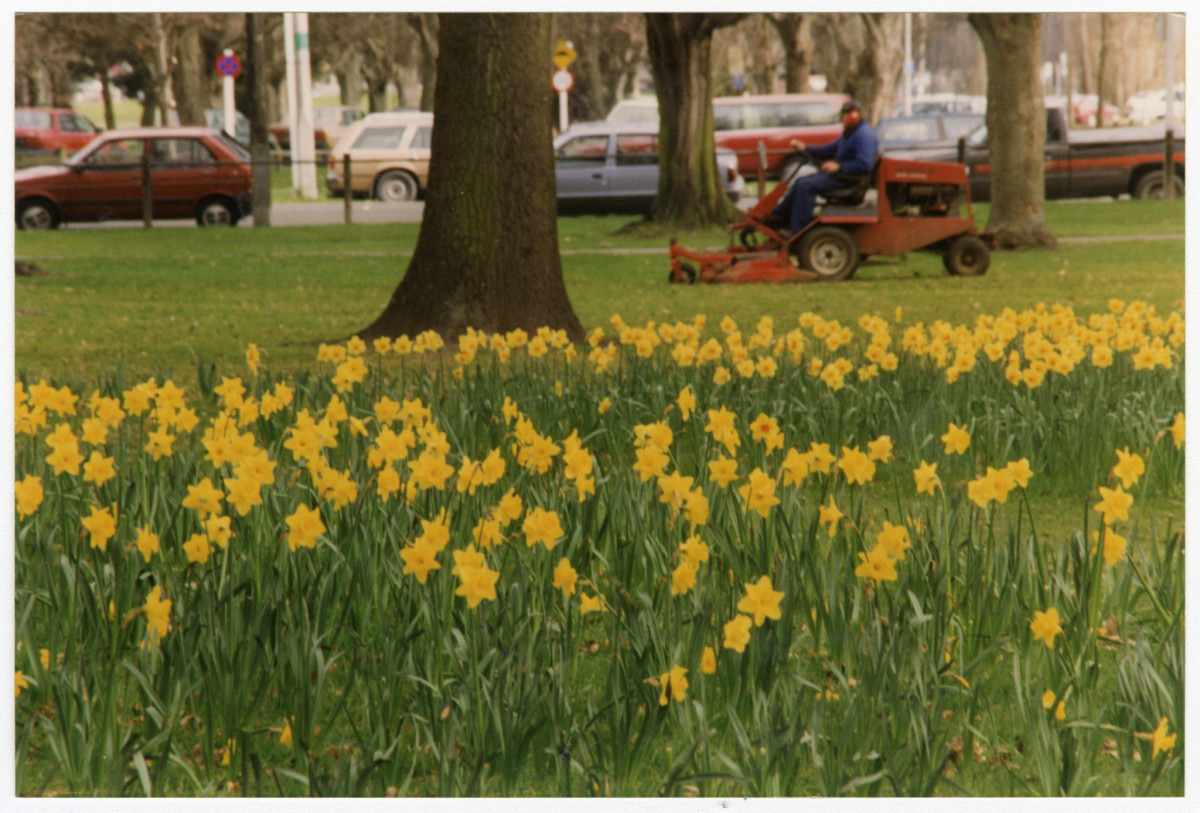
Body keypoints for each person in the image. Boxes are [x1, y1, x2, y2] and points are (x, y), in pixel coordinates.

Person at [768, 100, 878, 236]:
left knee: (805, 186)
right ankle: (778, 218)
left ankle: (797, 231)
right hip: (841, 176)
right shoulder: (850, 134)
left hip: (849, 180)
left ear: (853, 116)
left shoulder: (864, 135)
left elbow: (864, 164)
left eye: (843, 116)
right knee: (800, 181)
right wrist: (806, 148)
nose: (841, 120)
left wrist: (839, 166)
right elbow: (828, 150)